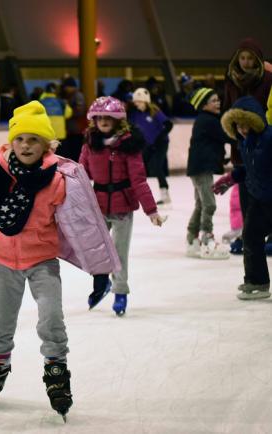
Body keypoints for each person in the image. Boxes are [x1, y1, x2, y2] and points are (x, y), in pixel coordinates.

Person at [0, 101, 120, 420]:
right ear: (11, 141)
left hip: (43, 261)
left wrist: (100, 271)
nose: (26, 145)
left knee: (50, 318)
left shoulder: (58, 180)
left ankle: (56, 370)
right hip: (5, 261)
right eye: (20, 138)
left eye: (34, 140)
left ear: (48, 144)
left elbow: (83, 225)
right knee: (1, 319)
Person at [79, 96, 165, 316]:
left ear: (118, 120)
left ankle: (120, 292)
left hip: (122, 207)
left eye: (109, 117)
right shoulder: (91, 144)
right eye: (100, 118)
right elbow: (80, 175)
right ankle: (101, 284)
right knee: (95, 250)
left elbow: (138, 179)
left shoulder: (129, 145)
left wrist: (151, 210)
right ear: (94, 120)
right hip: (97, 206)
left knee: (119, 253)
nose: (104, 121)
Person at [213, 96, 272, 300]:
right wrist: (231, 178)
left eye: (247, 125)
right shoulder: (245, 143)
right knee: (251, 236)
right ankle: (257, 281)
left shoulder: (269, 138)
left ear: (256, 121)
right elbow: (250, 169)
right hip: (258, 198)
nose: (243, 129)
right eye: (238, 126)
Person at [184, 88, 232, 259]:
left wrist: (222, 159)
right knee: (209, 204)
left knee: (201, 204)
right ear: (204, 104)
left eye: (218, 99)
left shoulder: (206, 120)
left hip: (199, 167)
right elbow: (227, 136)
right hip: (201, 169)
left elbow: (213, 144)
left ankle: (191, 239)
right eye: (213, 100)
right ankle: (206, 239)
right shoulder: (208, 121)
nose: (218, 103)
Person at [128, 88, 173, 205]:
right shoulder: (135, 114)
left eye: (138, 101)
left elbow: (168, 125)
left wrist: (159, 138)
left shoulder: (155, 112)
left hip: (161, 143)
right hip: (147, 144)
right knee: (138, 168)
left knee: (157, 167)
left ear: (145, 101)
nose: (136, 104)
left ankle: (165, 194)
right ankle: (134, 193)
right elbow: (130, 128)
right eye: (135, 102)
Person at [59, 76, 86, 162]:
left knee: (76, 152)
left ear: (71, 86)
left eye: (66, 87)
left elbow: (80, 111)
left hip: (77, 129)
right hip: (72, 130)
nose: (65, 89)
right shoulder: (70, 95)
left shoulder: (78, 96)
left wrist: (68, 111)